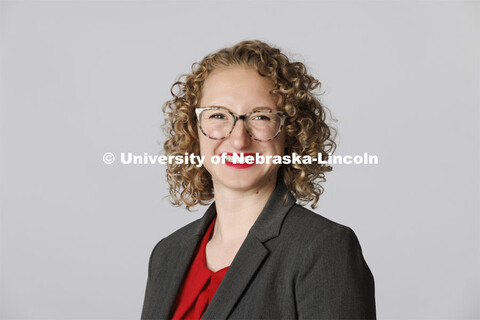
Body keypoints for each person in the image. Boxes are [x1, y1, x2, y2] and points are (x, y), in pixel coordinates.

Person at [141, 40, 376, 320]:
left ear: (291, 132)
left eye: (261, 116)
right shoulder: (167, 253)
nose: (239, 140)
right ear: (194, 130)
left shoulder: (324, 248)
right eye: (218, 115)